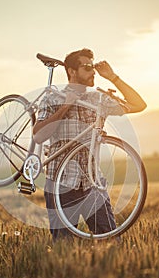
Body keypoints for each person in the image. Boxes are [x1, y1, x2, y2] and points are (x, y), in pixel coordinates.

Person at [33, 48, 147, 241]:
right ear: (71, 71)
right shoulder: (52, 98)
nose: (93, 72)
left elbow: (138, 105)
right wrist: (66, 105)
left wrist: (113, 77)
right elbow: (39, 135)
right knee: (64, 250)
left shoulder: (97, 99)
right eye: (87, 67)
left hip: (92, 184)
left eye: (92, 67)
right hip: (61, 185)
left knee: (111, 244)